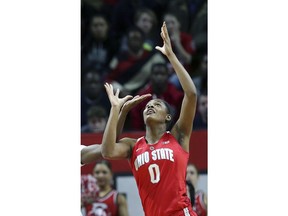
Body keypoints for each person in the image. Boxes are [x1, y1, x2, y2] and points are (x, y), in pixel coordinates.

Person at [101, 22, 198, 216]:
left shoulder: (178, 136)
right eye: (147, 106)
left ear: (168, 117)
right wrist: (116, 110)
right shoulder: (133, 146)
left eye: (157, 104)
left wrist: (170, 55)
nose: (150, 105)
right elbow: (108, 150)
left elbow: (191, 94)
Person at [129, 62, 184, 130]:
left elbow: (182, 121)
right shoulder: (141, 98)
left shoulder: (178, 97)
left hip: (172, 135)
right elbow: (136, 124)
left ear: (168, 76)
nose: (159, 77)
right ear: (151, 76)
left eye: (162, 74)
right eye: (156, 74)